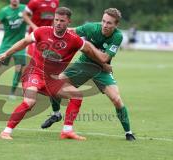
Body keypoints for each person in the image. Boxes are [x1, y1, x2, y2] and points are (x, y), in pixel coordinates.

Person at [0, 7, 110, 141]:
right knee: (30, 101)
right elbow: (24, 42)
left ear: (69, 22)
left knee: (77, 96)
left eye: (62, 21)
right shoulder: (42, 31)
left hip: (52, 80)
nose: (58, 23)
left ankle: (67, 131)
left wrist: (104, 64)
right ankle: (6, 132)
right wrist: (6, 53)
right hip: (34, 73)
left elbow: (89, 51)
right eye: (56, 20)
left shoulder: (74, 40)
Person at [42, 8, 136, 141]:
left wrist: (90, 49)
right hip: (83, 65)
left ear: (116, 25)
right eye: (103, 21)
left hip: (101, 70)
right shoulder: (91, 27)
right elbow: (71, 31)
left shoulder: (117, 36)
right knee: (55, 84)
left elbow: (104, 58)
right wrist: (52, 32)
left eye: (109, 23)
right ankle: (56, 114)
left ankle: (128, 132)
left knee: (117, 100)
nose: (105, 25)